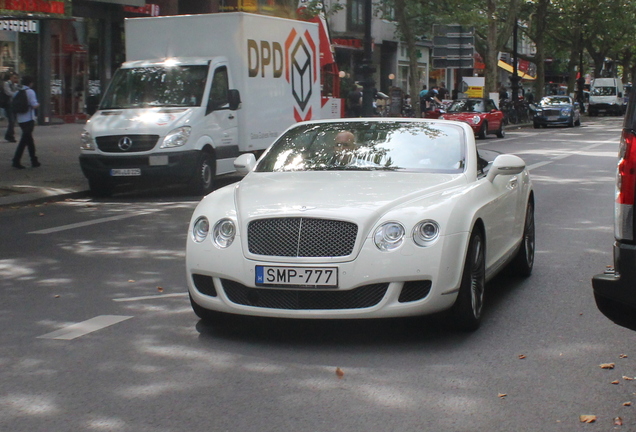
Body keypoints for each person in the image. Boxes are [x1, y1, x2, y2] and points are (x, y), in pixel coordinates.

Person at [12, 76, 40, 169]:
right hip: (29, 118)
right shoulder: (30, 92)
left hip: (20, 119)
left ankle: (34, 160)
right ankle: (17, 160)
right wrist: (39, 104)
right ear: (30, 83)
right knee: (25, 140)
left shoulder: (17, 92)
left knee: (28, 140)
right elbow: (34, 105)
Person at [3, 72, 18, 142]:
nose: (15, 79)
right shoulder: (6, 84)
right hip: (8, 104)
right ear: (11, 77)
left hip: (14, 104)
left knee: (13, 120)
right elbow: (8, 93)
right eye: (14, 78)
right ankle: (10, 135)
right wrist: (16, 94)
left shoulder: (15, 85)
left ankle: (10, 135)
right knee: (11, 120)